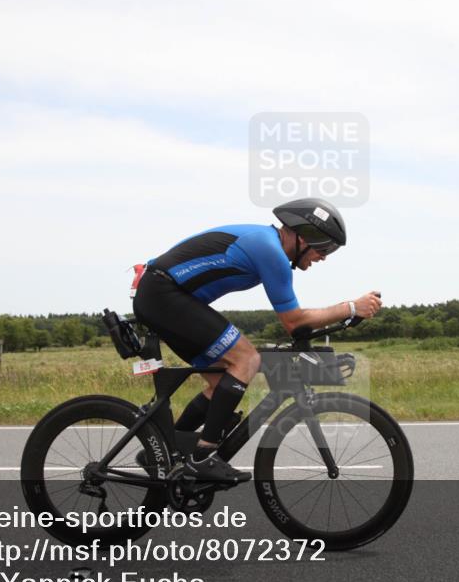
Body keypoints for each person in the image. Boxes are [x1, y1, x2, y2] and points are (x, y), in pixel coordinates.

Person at [131, 198, 382, 483]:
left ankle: (164, 452)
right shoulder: (271, 251)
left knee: (219, 386)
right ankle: (202, 458)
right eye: (324, 248)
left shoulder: (268, 246)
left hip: (164, 295)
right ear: (304, 236)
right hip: (164, 294)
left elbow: (296, 326)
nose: (323, 256)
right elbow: (294, 321)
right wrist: (351, 307)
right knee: (247, 359)